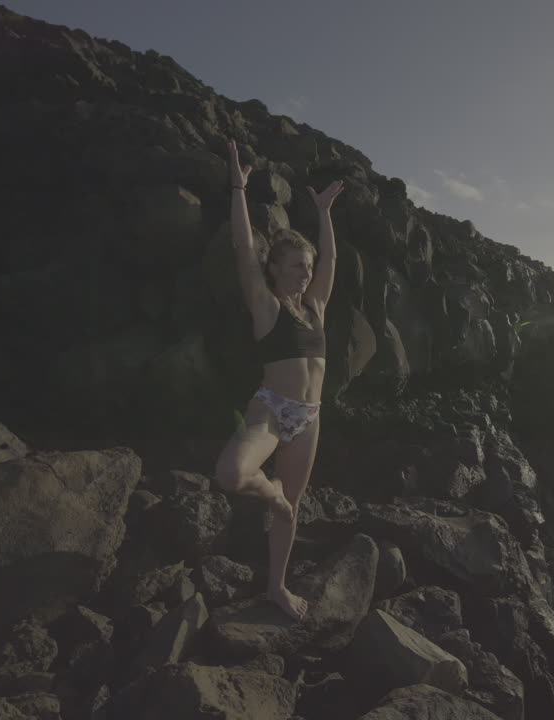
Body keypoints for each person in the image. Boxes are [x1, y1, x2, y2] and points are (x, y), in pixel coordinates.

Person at [213, 138, 342, 620]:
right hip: (270, 410)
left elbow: (331, 262)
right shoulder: (265, 306)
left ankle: (276, 587)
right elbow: (243, 248)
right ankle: (274, 497)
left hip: (309, 419)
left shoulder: (316, 309)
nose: (305, 275)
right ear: (276, 268)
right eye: (296, 267)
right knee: (233, 474)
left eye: (307, 269)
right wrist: (238, 187)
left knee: (294, 505)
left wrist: (324, 212)